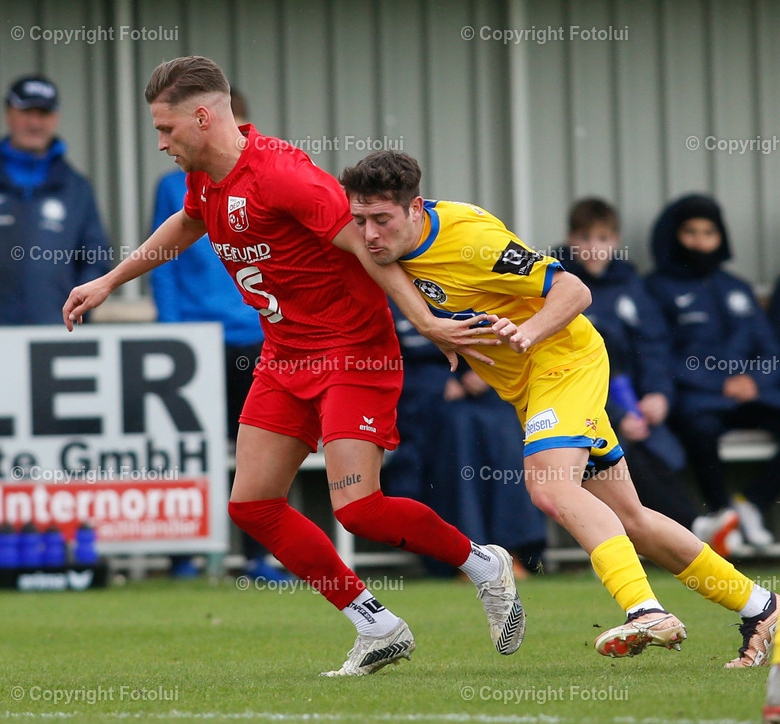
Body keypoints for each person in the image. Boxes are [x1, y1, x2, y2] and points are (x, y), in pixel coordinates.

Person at [63, 56, 525, 676]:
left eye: (167, 128)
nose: (162, 141)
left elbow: (370, 246)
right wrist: (111, 280)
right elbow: (186, 225)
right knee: (252, 504)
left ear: (204, 117)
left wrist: (427, 323)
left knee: (357, 509)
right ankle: (376, 624)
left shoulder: (285, 176)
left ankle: (481, 562)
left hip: (351, 353)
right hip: (284, 355)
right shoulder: (208, 177)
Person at [339, 150, 778, 667]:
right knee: (630, 519)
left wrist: (525, 334)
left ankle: (644, 610)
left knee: (547, 486)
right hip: (530, 387)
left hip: (562, 362)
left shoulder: (471, 243)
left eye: (381, 220)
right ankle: (761, 607)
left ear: (415, 210)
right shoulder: (383, 237)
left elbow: (575, 289)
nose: (368, 234)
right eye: (360, 219)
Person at [148, 90, 284, 582]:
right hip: (196, 342)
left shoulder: (269, 177)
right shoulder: (178, 185)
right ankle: (185, 555)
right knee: (190, 448)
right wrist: (172, 330)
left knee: (255, 451)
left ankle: (256, 559)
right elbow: (163, 264)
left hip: (254, 335)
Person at [557, 198, 740, 555]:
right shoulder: (559, 283)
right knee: (622, 450)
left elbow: (654, 345)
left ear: (616, 239)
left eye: (604, 238)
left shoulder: (631, 285)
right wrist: (620, 415)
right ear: (570, 239)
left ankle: (686, 529)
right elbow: (568, 363)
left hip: (635, 407)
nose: (595, 248)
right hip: (582, 408)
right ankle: (691, 527)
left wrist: (658, 394)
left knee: (655, 443)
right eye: (586, 238)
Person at [645, 194, 780, 551]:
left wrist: (755, 380)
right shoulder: (656, 288)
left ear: (721, 237)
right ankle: (721, 518)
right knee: (701, 432)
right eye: (690, 232)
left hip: (751, 394)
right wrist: (720, 382)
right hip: (696, 399)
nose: (700, 242)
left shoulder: (737, 288)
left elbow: (770, 349)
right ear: (673, 235)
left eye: (709, 232)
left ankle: (750, 503)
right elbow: (659, 354)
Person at [385, 304, 546, 577]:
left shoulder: (459, 287)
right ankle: (468, 555)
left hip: (483, 399)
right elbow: (384, 363)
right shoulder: (390, 301)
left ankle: (513, 549)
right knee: (458, 435)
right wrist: (437, 385)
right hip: (421, 409)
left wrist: (484, 374)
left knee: (505, 426)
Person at [0, 75, 110, 325]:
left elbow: (95, 259)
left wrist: (79, 311)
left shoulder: (76, 188)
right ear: (8, 114)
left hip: (56, 334)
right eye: (26, 112)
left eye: (43, 114)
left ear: (56, 118)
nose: (35, 123)